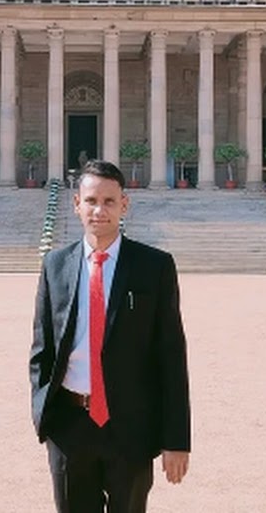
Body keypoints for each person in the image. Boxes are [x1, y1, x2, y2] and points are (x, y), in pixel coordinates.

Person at [29, 159, 190, 512]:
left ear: (124, 205)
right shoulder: (55, 265)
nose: (99, 210)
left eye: (109, 201)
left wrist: (176, 439)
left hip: (131, 426)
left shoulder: (154, 266)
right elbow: (42, 349)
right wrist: (44, 416)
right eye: (90, 201)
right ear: (76, 204)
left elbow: (171, 357)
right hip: (70, 425)